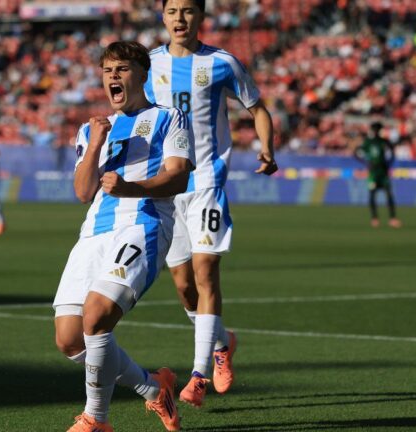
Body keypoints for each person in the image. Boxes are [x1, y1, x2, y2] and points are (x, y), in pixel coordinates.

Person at [53, 41, 195, 432]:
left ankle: (96, 418)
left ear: (142, 74)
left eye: (122, 68)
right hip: (94, 232)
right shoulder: (90, 128)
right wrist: (96, 144)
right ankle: (154, 388)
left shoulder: (170, 118)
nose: (113, 76)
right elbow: (83, 192)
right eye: (108, 70)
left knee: (96, 316)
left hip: (144, 222)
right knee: (69, 340)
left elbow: (178, 175)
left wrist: (132, 188)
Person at [143, 0, 278, 406]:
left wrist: (267, 150)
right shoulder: (147, 66)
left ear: (201, 17)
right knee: (185, 289)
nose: (180, 18)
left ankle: (198, 374)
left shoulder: (222, 63)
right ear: (163, 17)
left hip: (206, 183)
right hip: (169, 188)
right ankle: (223, 343)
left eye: (188, 11)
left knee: (205, 275)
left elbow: (258, 109)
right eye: (173, 11)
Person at [354, 122, 401, 228]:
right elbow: (356, 152)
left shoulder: (384, 141)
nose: (375, 132)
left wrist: (389, 163)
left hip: (383, 172)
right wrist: (366, 163)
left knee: (389, 195)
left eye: (377, 130)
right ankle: (374, 218)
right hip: (373, 173)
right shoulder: (368, 142)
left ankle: (392, 218)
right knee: (372, 195)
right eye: (374, 129)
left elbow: (392, 152)